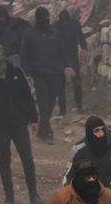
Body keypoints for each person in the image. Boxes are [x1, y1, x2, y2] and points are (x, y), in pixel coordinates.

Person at [0, 44, 44, 204]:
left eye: (2, 55)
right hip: (0, 125)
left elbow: (28, 95)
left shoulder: (15, 72)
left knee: (27, 159)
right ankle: (9, 197)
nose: (0, 58)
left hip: (19, 123)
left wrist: (34, 119)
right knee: (4, 160)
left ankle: (33, 194)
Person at [21, 7, 67, 145]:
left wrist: (65, 66)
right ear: (37, 18)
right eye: (43, 17)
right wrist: (29, 72)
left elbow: (62, 51)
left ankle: (42, 129)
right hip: (39, 74)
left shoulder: (55, 33)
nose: (46, 20)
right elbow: (24, 56)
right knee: (43, 103)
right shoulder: (29, 34)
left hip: (55, 74)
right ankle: (47, 133)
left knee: (51, 103)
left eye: (47, 17)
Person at [55, 9, 87, 115]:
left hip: (72, 55)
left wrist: (84, 48)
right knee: (60, 84)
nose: (64, 23)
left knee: (77, 81)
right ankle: (63, 110)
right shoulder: (55, 26)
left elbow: (81, 37)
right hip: (59, 58)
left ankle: (79, 107)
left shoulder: (74, 24)